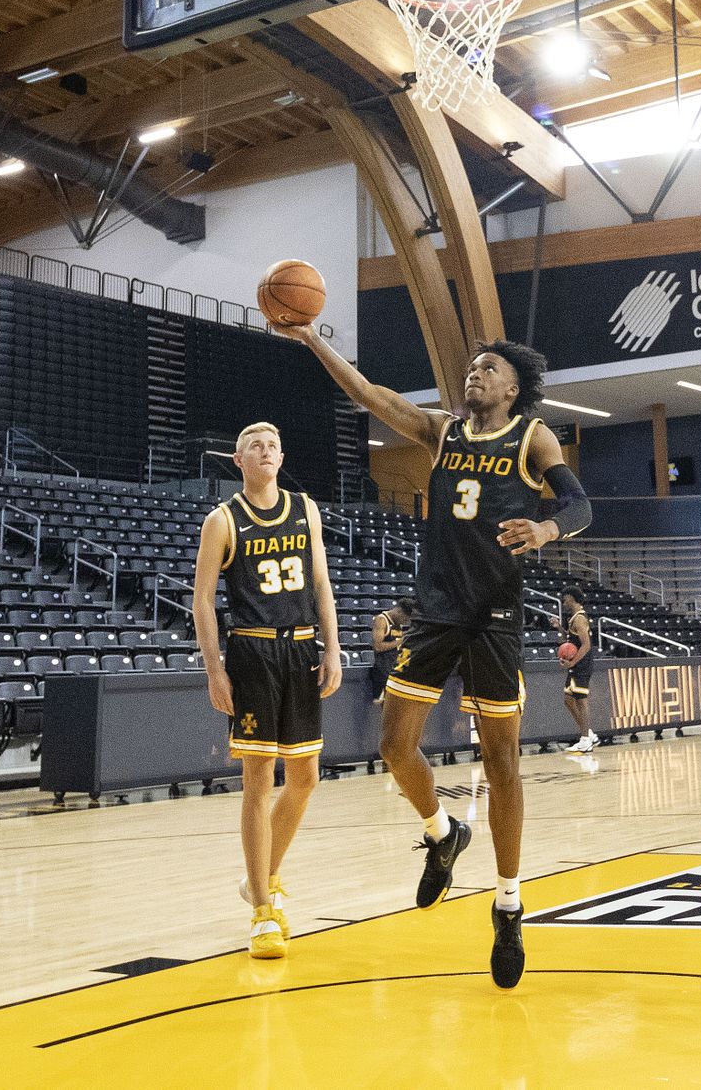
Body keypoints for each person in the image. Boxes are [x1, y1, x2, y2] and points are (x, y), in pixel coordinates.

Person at [277, 325, 592, 989]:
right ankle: (443, 832)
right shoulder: (441, 431)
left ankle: (508, 904)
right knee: (395, 747)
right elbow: (366, 392)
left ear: (512, 387)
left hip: (496, 616)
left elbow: (579, 502)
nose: (474, 374)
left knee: (501, 761)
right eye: (470, 367)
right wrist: (310, 338)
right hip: (438, 610)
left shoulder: (532, 437)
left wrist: (545, 526)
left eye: (488, 369)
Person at [191, 422, 343, 960]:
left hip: (302, 648)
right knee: (257, 780)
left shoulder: (306, 508)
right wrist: (215, 669)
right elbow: (203, 600)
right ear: (238, 459)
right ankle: (261, 909)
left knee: (304, 777)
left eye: (275, 444)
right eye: (256, 445)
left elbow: (321, 583)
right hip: (253, 653)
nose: (267, 451)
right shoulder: (222, 520)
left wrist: (333, 646)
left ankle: (262, 875)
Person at [558, 590, 598, 754]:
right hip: (576, 665)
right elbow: (570, 640)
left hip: (581, 665)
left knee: (581, 701)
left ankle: (585, 740)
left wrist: (572, 662)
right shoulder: (574, 618)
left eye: (565, 598)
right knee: (568, 700)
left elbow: (586, 645)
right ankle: (588, 734)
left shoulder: (580, 618)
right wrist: (559, 627)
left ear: (572, 598)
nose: (563, 601)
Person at [368, 599, 412, 702]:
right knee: (385, 705)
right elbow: (377, 647)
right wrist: (400, 641)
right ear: (399, 612)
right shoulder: (381, 620)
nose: (405, 622)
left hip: (395, 668)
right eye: (404, 619)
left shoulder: (397, 623)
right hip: (383, 670)